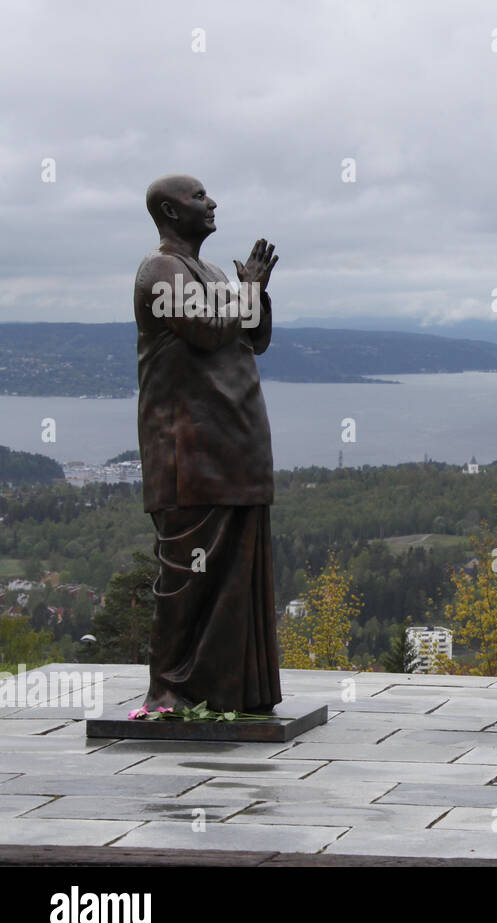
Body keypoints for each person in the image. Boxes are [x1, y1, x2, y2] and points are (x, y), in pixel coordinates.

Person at [132, 174, 282, 712]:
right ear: (170, 213)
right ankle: (168, 688)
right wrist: (247, 291)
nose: (212, 202)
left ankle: (227, 688)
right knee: (188, 574)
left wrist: (255, 292)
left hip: (232, 447)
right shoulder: (161, 271)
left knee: (233, 574)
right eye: (198, 197)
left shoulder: (213, 272)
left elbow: (250, 336)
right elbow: (210, 330)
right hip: (188, 454)